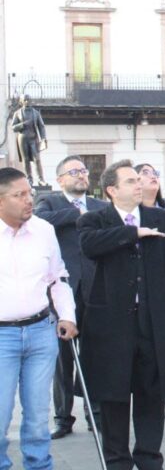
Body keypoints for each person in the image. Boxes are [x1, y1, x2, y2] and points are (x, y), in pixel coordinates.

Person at [77, 159, 165, 470]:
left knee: (152, 394)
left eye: (139, 179)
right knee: (113, 396)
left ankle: (150, 458)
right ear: (112, 190)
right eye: (130, 181)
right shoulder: (95, 220)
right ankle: (117, 461)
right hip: (111, 325)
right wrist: (132, 233)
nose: (139, 184)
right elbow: (89, 246)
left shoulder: (164, 219)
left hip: (154, 321)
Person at [0, 167, 78, 470]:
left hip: (40, 330)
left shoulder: (44, 230)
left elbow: (58, 278)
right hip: (2, 336)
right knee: (1, 413)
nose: (28, 200)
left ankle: (39, 465)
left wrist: (68, 316)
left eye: (29, 193)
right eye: (19, 195)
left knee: (36, 415)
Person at [34, 155, 107, 439]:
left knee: (95, 355)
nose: (81, 175)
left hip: (96, 290)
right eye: (73, 171)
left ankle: (96, 413)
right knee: (62, 360)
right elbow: (40, 220)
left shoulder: (101, 206)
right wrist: (76, 213)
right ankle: (63, 417)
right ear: (60, 179)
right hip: (62, 293)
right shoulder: (50, 203)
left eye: (84, 170)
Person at [11, 95, 47, 186]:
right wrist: (22, 124)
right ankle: (29, 179)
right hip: (22, 138)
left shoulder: (36, 113)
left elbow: (41, 126)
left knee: (37, 159)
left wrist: (43, 138)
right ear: (21, 102)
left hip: (34, 138)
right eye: (25, 100)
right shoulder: (17, 113)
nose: (27, 101)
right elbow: (13, 127)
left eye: (28, 100)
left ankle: (41, 179)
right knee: (25, 160)